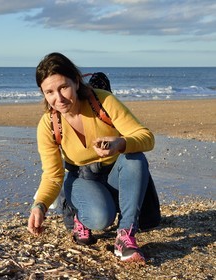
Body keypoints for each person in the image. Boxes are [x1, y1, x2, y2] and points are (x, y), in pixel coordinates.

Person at [27, 52, 155, 263]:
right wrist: (39, 206)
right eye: (49, 92)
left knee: (135, 157)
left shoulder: (103, 101)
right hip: (82, 179)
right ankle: (80, 215)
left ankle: (125, 236)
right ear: (43, 93)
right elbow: (52, 175)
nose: (58, 98)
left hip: (115, 175)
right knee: (100, 218)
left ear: (76, 82)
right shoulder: (48, 124)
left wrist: (120, 143)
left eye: (63, 87)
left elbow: (146, 137)